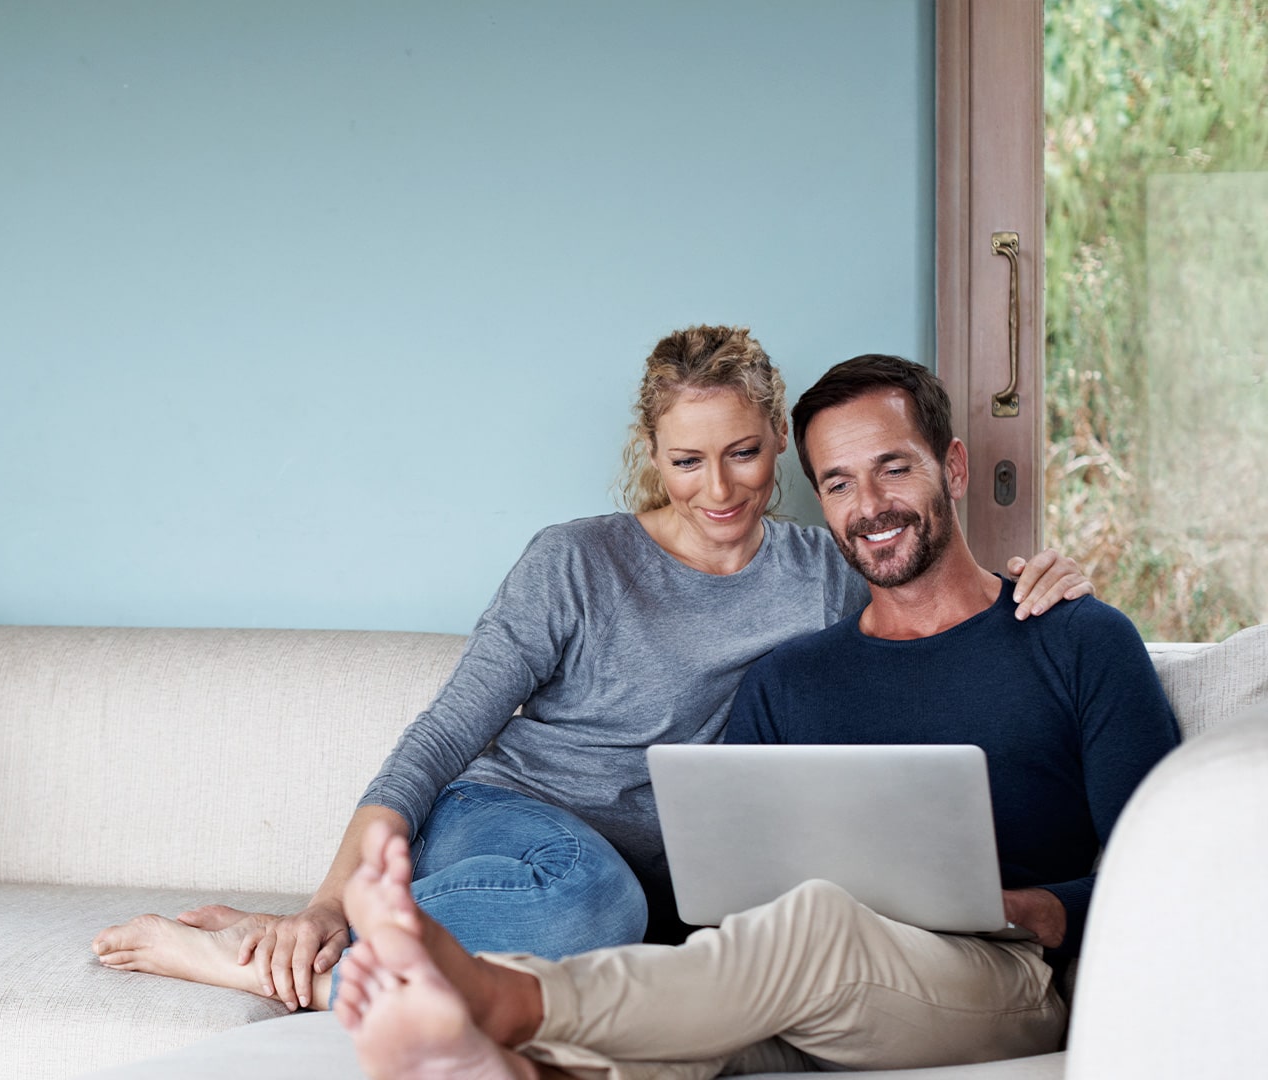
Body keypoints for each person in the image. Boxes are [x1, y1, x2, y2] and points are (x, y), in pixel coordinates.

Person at [92, 328, 1091, 1013]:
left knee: (666, 939)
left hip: (671, 869)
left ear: (774, 445)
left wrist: (1028, 581)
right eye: (688, 460)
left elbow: (924, 621)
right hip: (512, 819)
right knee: (592, 904)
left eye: (744, 454)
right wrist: (320, 900)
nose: (722, 488)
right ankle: (287, 958)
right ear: (652, 454)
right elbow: (442, 734)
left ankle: (305, 946)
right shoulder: (578, 560)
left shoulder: (818, 574)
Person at [332, 354, 1181, 1079]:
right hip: (815, 983)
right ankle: (518, 1061)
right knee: (713, 990)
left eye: (895, 468)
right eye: (840, 484)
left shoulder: (1076, 639)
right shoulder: (792, 674)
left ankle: (503, 998)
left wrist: (1041, 907)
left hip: (1009, 977)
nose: (871, 506)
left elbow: (1169, 871)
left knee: (812, 928)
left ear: (953, 469)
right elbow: (732, 892)